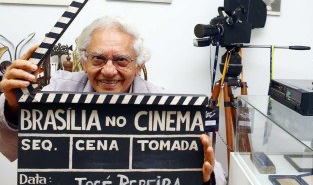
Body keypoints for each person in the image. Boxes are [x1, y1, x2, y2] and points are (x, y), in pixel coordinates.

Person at [0, 16, 226, 185]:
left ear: (138, 65)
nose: (108, 71)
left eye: (121, 60)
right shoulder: (59, 89)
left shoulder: (161, 102)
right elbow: (20, 145)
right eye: (98, 58)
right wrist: (13, 106)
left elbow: (213, 170)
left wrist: (206, 178)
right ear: (84, 60)